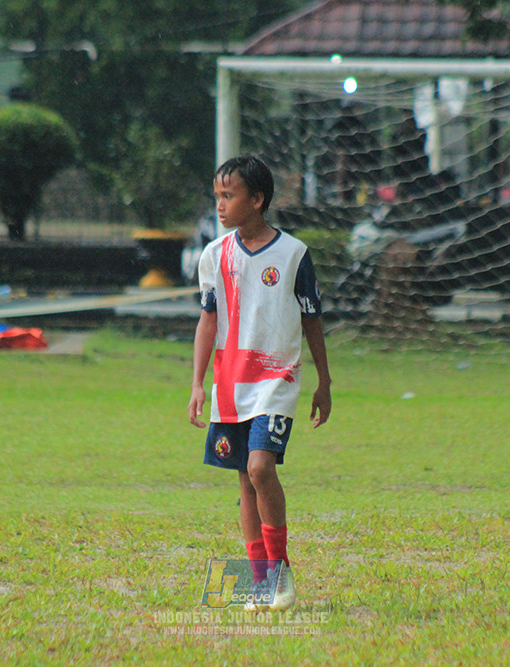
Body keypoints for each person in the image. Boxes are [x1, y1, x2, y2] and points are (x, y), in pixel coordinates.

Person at [188, 155, 332, 612]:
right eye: (217, 197)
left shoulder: (293, 255)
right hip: (231, 383)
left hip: (277, 378)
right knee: (243, 483)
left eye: (229, 196)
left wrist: (324, 381)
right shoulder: (215, 256)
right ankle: (262, 581)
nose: (221, 206)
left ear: (258, 200)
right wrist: (196, 383)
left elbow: (312, 319)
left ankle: (282, 571)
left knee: (259, 468)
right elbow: (207, 323)